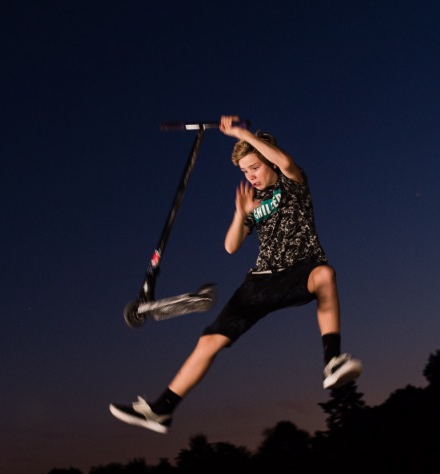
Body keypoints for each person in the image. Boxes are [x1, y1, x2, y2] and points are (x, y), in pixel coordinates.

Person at [109, 115, 363, 434]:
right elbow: (231, 246)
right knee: (210, 341)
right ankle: (161, 410)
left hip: (301, 271)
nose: (250, 176)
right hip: (260, 281)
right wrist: (240, 213)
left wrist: (241, 133)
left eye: (254, 167)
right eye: (244, 171)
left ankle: (333, 361)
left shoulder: (293, 182)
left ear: (268, 160)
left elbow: (283, 159)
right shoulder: (256, 204)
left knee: (325, 274)